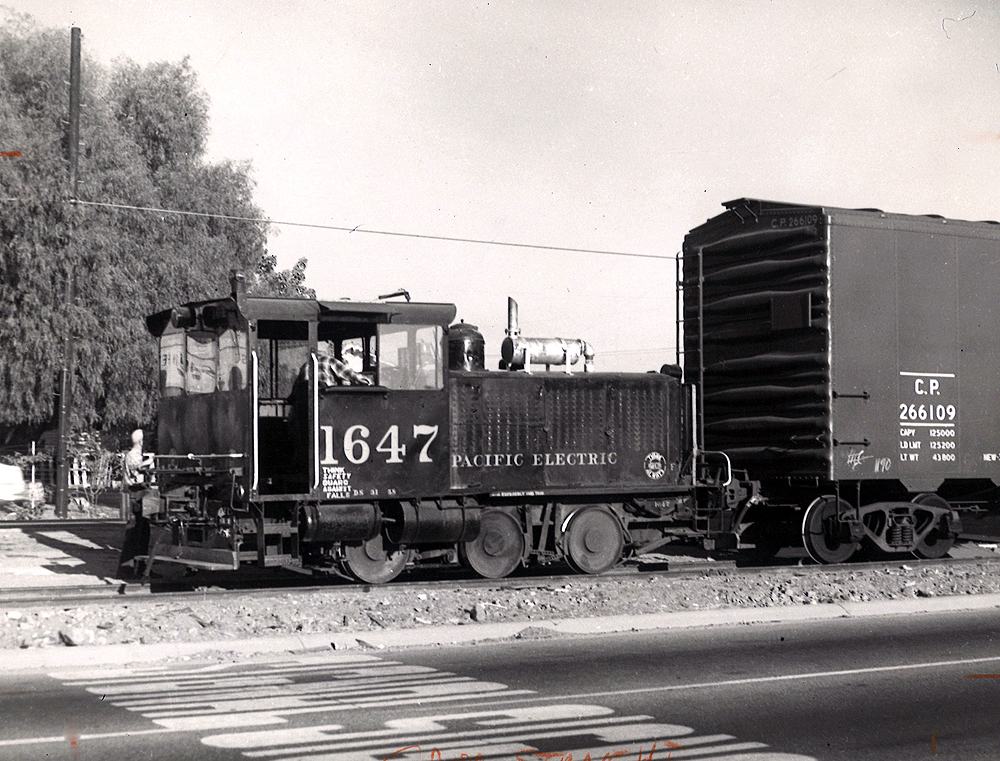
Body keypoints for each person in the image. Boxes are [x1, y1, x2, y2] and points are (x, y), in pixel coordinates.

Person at [117, 429, 154, 578]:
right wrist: (150, 461)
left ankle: (141, 567)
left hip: (141, 492)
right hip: (135, 493)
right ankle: (127, 569)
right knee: (134, 532)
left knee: (143, 532)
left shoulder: (138, 455)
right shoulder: (132, 455)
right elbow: (137, 468)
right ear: (140, 441)